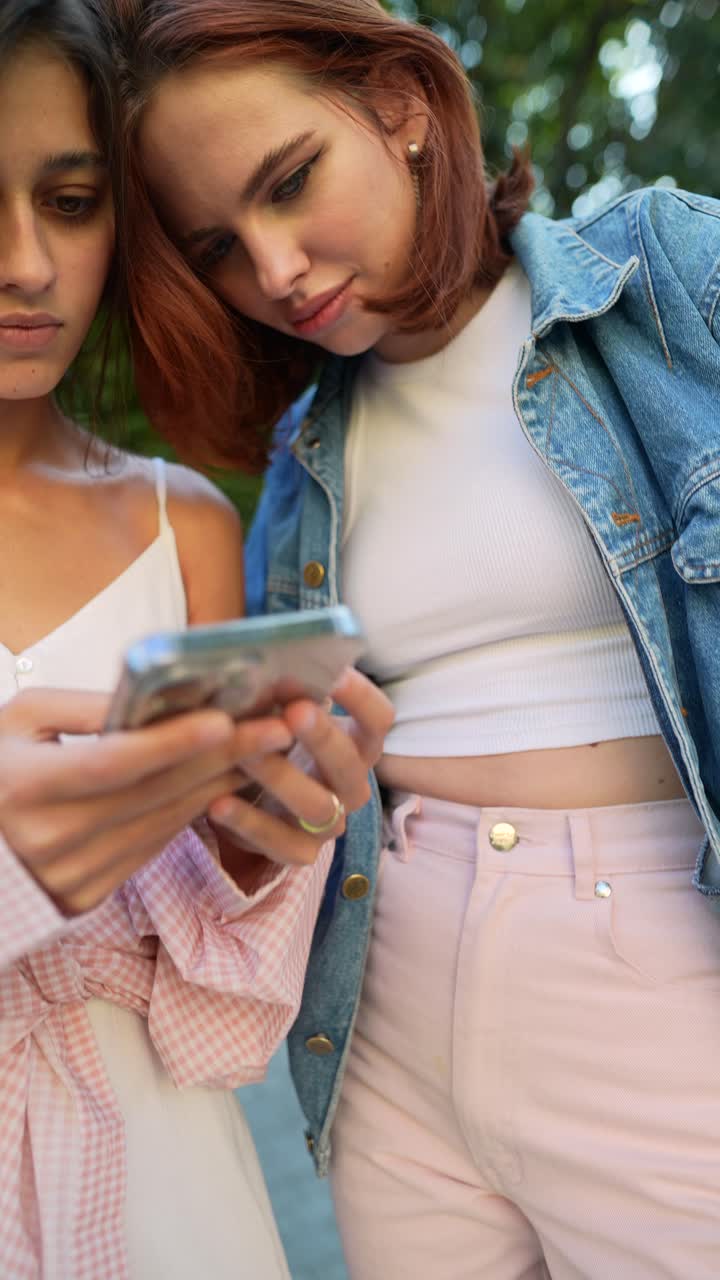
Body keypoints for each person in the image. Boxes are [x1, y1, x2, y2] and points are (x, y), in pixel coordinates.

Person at [111, 1, 720, 1276]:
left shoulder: (662, 270)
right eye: (221, 243)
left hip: (653, 955)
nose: (275, 269)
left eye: (291, 182)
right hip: (383, 998)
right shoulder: (303, 458)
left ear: (396, 105)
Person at [0, 3, 393, 1278]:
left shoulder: (185, 525)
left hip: (171, 1184)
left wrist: (255, 845)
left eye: (68, 201)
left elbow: (218, 1026)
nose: (24, 262)